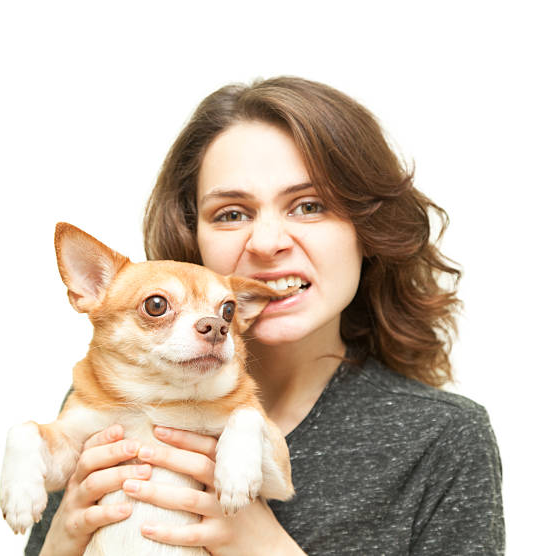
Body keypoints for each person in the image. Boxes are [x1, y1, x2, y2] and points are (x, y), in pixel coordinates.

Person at [26, 76, 504, 555]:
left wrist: (265, 546)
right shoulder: (108, 396)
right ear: (193, 238)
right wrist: (61, 541)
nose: (268, 242)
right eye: (232, 213)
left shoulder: (442, 438)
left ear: (368, 229)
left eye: (309, 206)